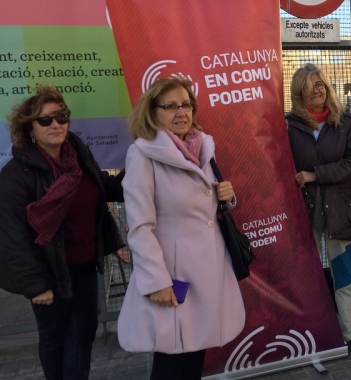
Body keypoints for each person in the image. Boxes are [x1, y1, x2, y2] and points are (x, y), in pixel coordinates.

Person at [117, 77, 245, 380]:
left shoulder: (201, 146)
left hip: (208, 271)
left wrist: (228, 194)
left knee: (195, 354)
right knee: (172, 359)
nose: (181, 112)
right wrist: (156, 281)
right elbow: (139, 226)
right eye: (171, 106)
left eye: (186, 105)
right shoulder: (143, 154)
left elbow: (206, 204)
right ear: (153, 111)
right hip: (174, 276)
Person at [0, 84, 124, 379]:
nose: (56, 124)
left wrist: (139, 175)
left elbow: (101, 189)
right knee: (55, 339)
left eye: (61, 116)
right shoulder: (16, 175)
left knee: (83, 336)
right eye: (45, 120)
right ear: (29, 127)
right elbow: (13, 237)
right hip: (48, 273)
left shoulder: (78, 155)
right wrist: (36, 285)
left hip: (84, 267)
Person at [285, 64, 351, 352]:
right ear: (299, 92)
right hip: (304, 212)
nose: (316, 90)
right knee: (305, 275)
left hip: (339, 211)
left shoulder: (344, 122)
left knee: (344, 273)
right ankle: (310, 333)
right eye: (308, 87)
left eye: (319, 85)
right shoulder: (289, 125)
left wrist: (315, 174)